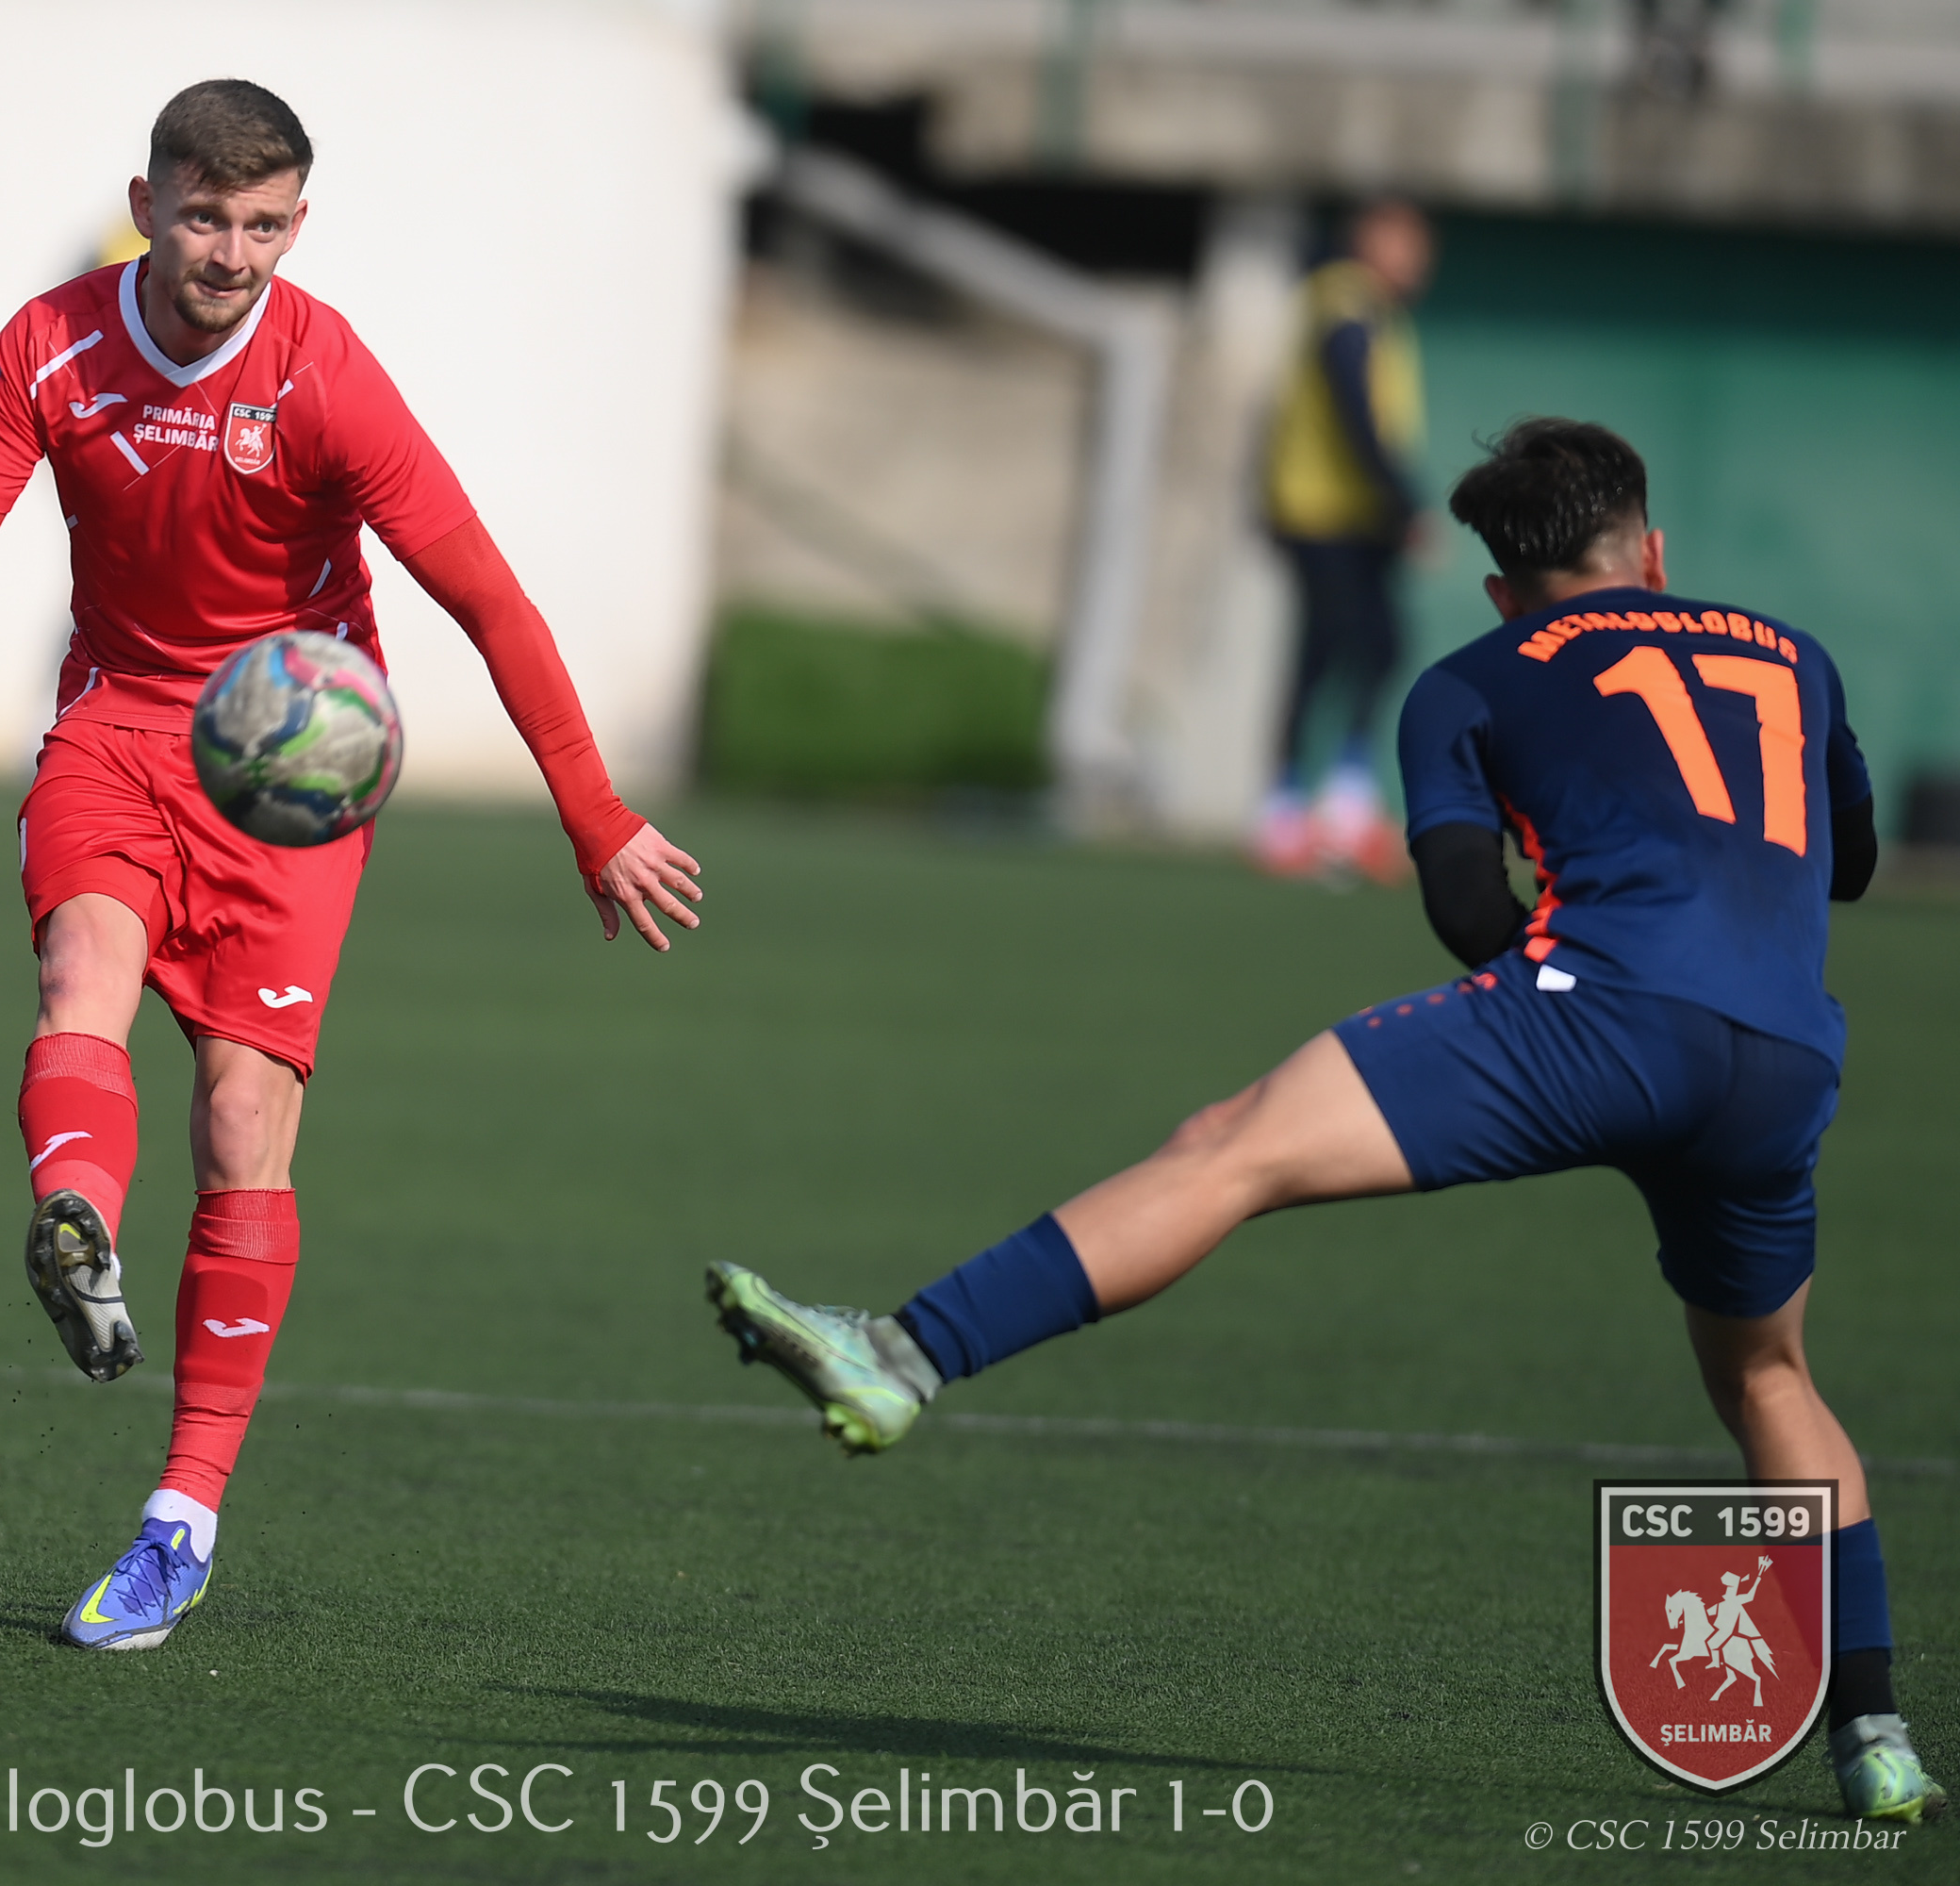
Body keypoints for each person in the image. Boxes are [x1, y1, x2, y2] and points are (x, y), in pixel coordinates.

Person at [704, 420, 1942, 1825]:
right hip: (1784, 1062)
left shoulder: (1470, 678)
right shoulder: (1796, 656)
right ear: (1652, 554)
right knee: (1771, 1378)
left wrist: (1576, 985)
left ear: (1501, 589)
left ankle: (905, 1355)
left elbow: (1465, 910)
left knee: (1230, 1147)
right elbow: (1847, 863)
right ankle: (1877, 1738)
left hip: (1596, 1014)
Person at [0, 79, 701, 1652]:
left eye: (264, 226)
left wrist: (594, 814)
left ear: (297, 226)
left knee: (244, 1119)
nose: (232, 254)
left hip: (291, 761)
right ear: (148, 205)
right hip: (120, 724)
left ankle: (179, 1521)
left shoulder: (328, 377)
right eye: (205, 218)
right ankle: (76, 1224)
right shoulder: (51, 347)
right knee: (83, 969)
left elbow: (487, 595)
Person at [1254, 199, 1433, 884]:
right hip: (1324, 511)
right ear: (1369, 240)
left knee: (1368, 647)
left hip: (1350, 514)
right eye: (1405, 241)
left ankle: (1338, 800)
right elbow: (1352, 403)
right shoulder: (1345, 302)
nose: (1418, 258)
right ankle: (1289, 808)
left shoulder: (1375, 310)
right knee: (1336, 647)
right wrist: (1401, 500)